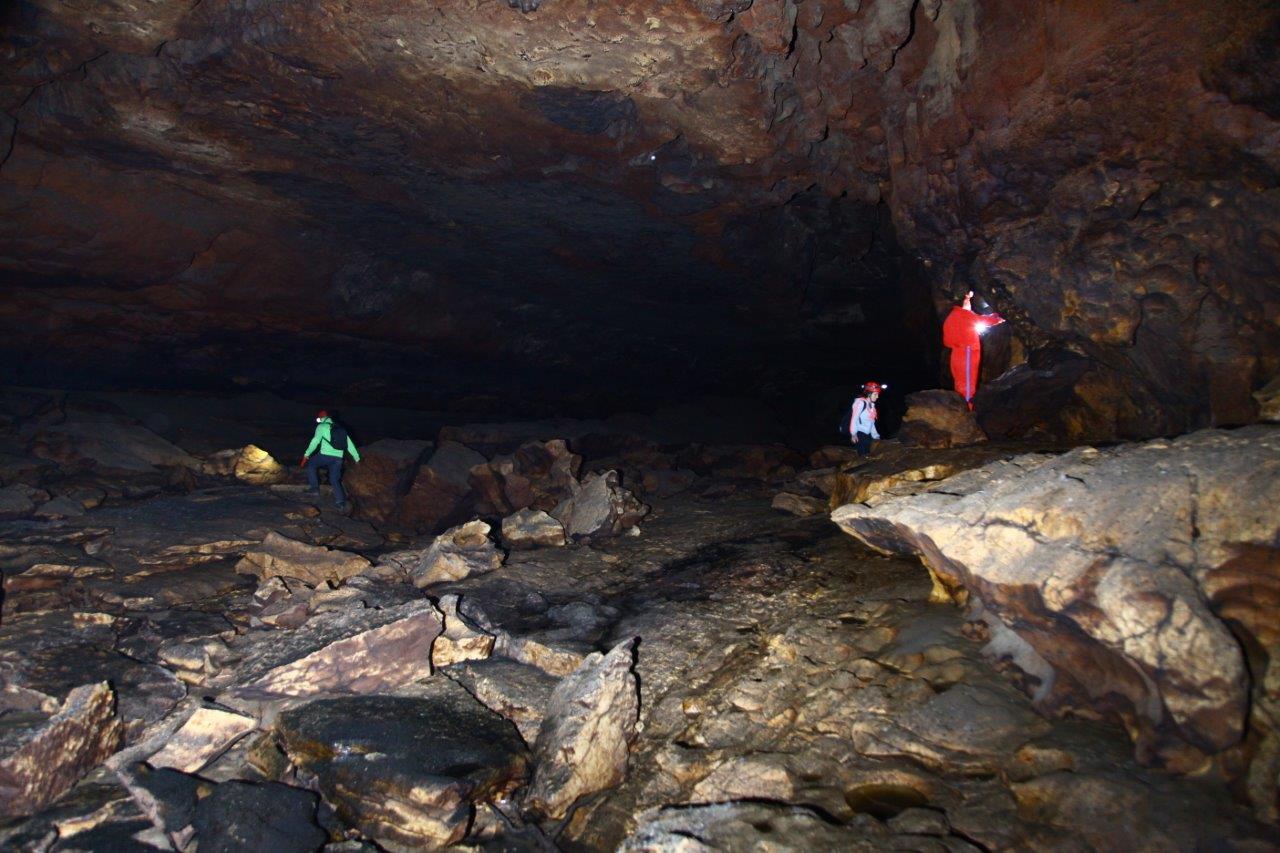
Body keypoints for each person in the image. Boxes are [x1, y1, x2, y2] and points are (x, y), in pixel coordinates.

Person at [941, 290, 1005, 410]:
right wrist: (997, 318)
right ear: (964, 302)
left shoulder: (950, 317)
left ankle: (959, 409)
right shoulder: (964, 314)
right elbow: (982, 320)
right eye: (968, 301)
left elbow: (947, 342)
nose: (970, 304)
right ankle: (967, 411)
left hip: (956, 355)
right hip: (967, 354)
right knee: (968, 384)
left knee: (959, 383)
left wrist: (959, 343)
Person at [300, 410, 360, 510]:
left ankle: (314, 488)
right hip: (338, 458)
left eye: (319, 418)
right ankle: (340, 502)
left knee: (311, 464)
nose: (318, 421)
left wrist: (306, 455)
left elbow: (315, 442)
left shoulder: (321, 427)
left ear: (322, 418)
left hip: (324, 455)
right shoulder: (340, 428)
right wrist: (357, 458)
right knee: (334, 479)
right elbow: (349, 444)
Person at [848, 381, 884, 457]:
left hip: (868, 435)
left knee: (871, 455)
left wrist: (876, 436)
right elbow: (854, 418)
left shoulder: (871, 405)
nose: (877, 396)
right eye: (875, 394)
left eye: (877, 394)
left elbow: (871, 422)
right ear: (869, 394)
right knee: (864, 457)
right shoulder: (860, 403)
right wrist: (853, 434)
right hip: (860, 434)